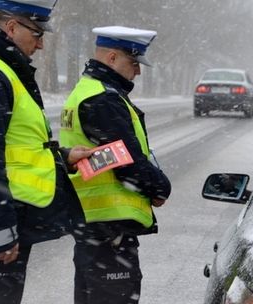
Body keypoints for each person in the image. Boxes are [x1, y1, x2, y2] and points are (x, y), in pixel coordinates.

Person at [0, 1, 93, 303]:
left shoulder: (2, 70)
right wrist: (0, 231)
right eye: (37, 34)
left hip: (3, 216)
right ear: (11, 27)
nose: (40, 44)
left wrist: (62, 158)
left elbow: (17, 145)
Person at [59, 26, 172, 304]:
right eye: (133, 62)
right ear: (111, 58)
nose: (138, 71)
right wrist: (160, 187)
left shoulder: (87, 91)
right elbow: (127, 161)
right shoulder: (103, 99)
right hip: (110, 230)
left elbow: (108, 155)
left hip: (93, 228)